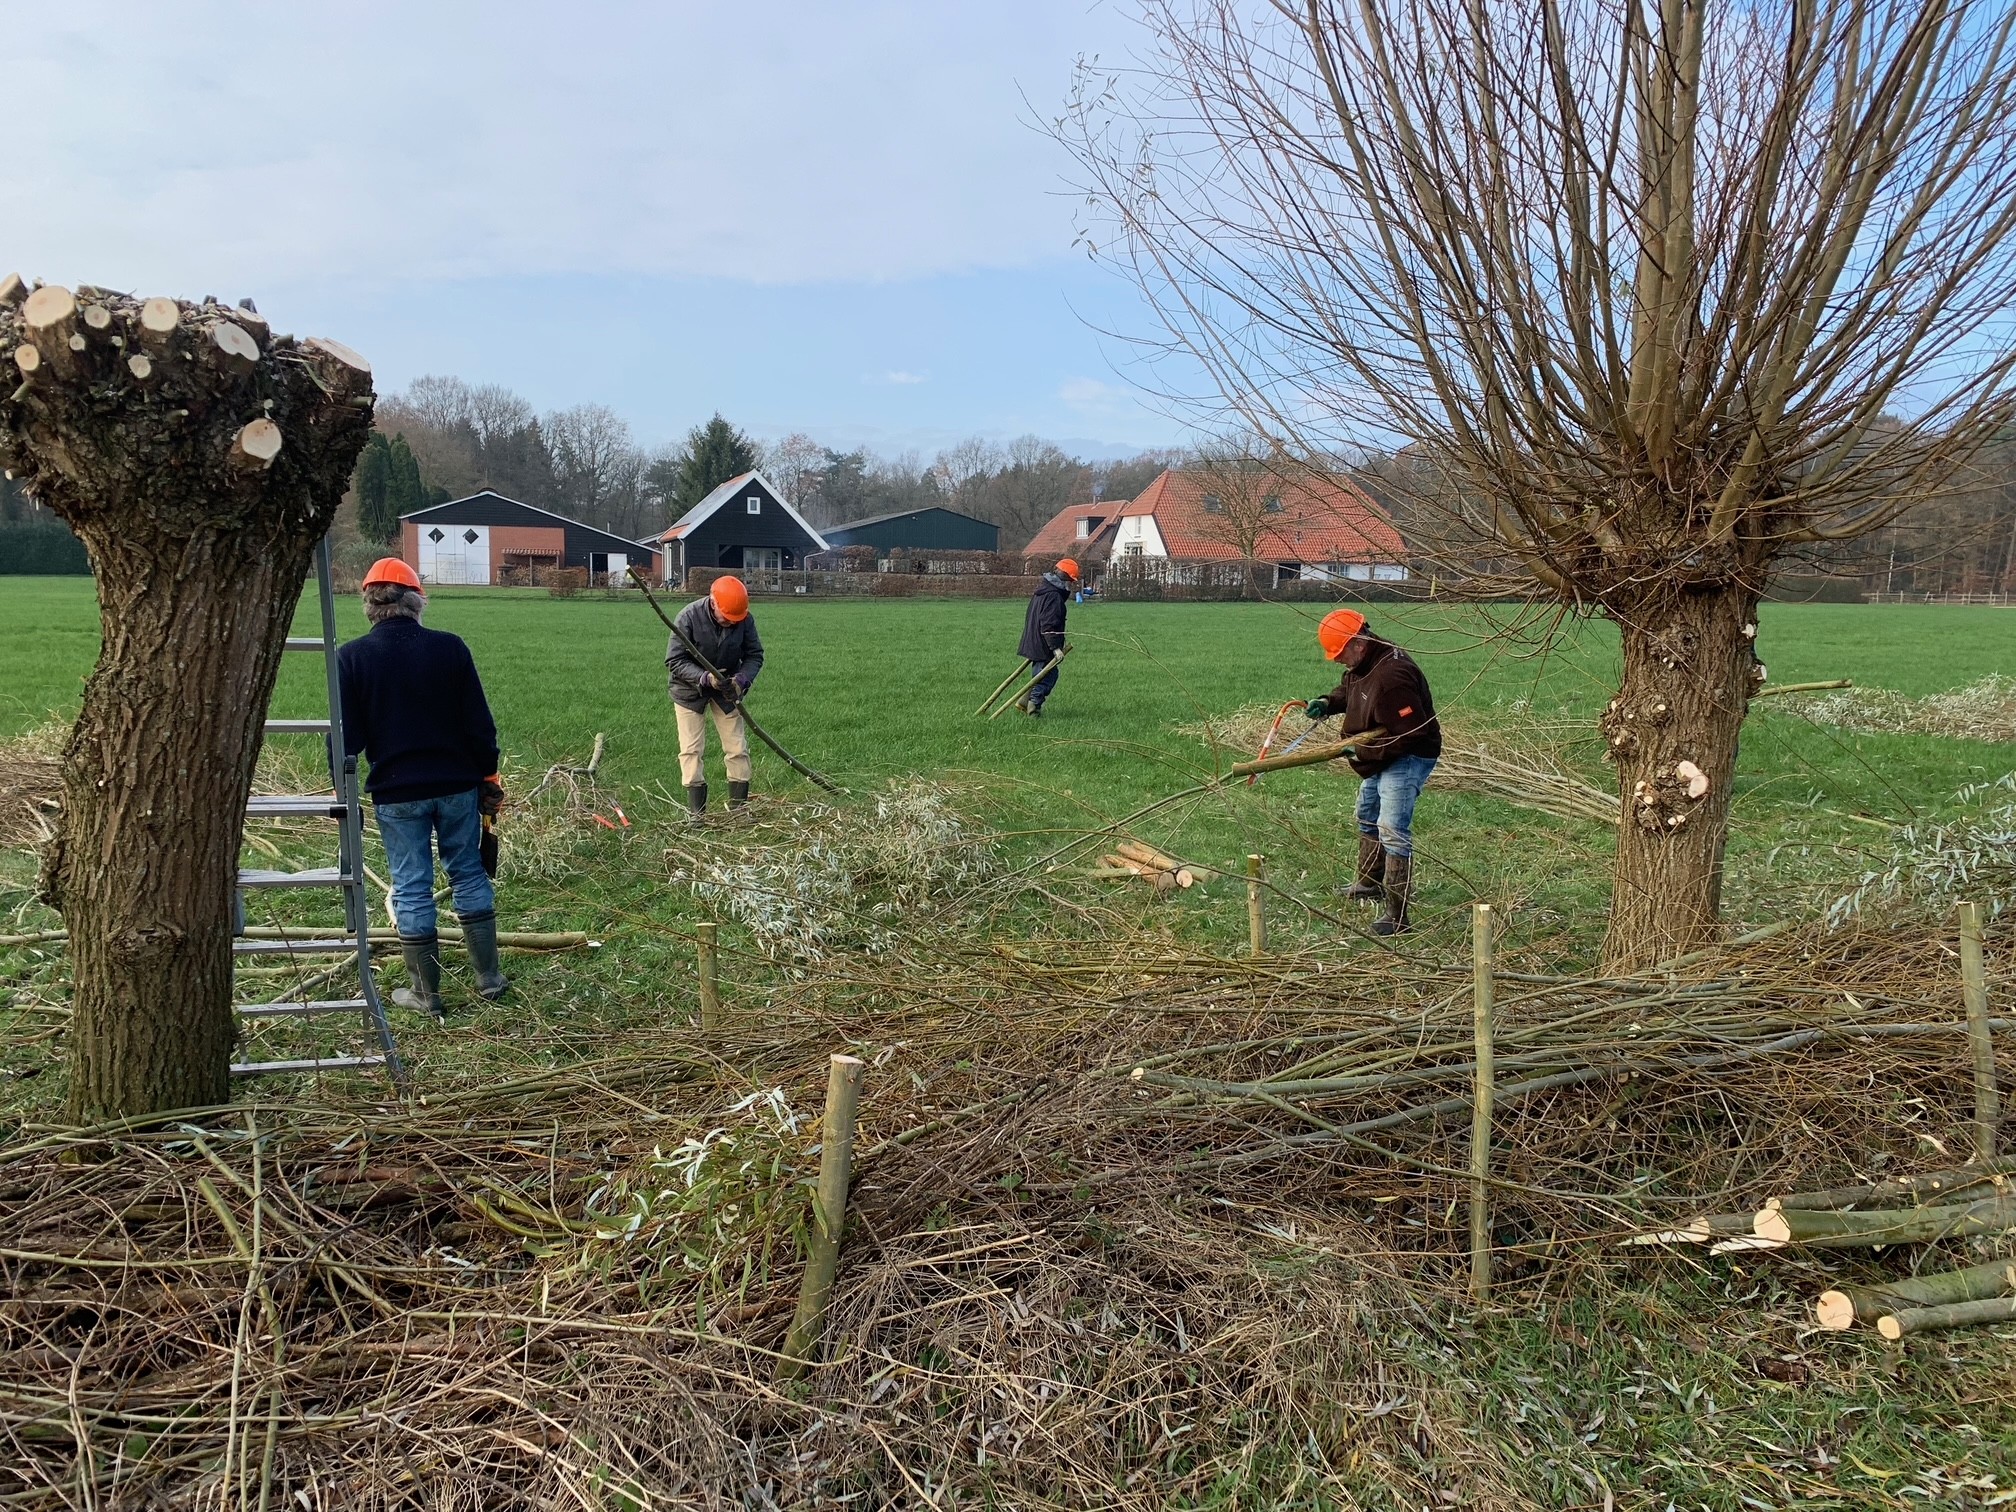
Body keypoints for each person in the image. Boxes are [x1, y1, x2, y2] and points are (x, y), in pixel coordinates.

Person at [338, 558, 507, 1014]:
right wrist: (488, 777)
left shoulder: (350, 658)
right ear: (417, 601)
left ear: (370, 604)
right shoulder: (450, 648)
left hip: (396, 793)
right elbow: (480, 727)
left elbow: (348, 742)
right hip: (457, 787)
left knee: (410, 887)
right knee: (468, 873)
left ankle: (426, 996)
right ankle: (489, 979)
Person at [1304, 608, 1442, 936]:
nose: (1337, 660)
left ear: (1359, 643)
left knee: (1392, 828)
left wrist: (1362, 751)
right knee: (1367, 813)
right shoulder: (1365, 659)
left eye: (1340, 653)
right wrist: (1327, 702)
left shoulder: (1392, 676)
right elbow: (1351, 689)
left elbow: (1412, 732)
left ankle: (1397, 917)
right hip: (1381, 752)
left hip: (1407, 754)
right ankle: (1369, 883)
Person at [667, 574, 764, 817]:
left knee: (737, 747)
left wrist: (740, 681)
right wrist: (705, 678)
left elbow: (754, 656)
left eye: (736, 620)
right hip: (689, 690)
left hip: (728, 692)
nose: (731, 623)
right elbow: (675, 660)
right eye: (727, 618)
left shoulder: (744, 620)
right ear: (713, 603)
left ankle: (738, 810)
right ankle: (697, 815)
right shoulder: (687, 617)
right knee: (691, 749)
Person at [1015, 557, 1077, 716]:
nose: (1070, 582)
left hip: (1034, 640)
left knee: (1039, 675)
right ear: (1065, 576)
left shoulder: (1042, 590)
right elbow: (1049, 624)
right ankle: (1033, 706)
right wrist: (1055, 648)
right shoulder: (1054, 596)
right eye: (1070, 579)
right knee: (1049, 676)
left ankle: (1024, 701)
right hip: (1042, 644)